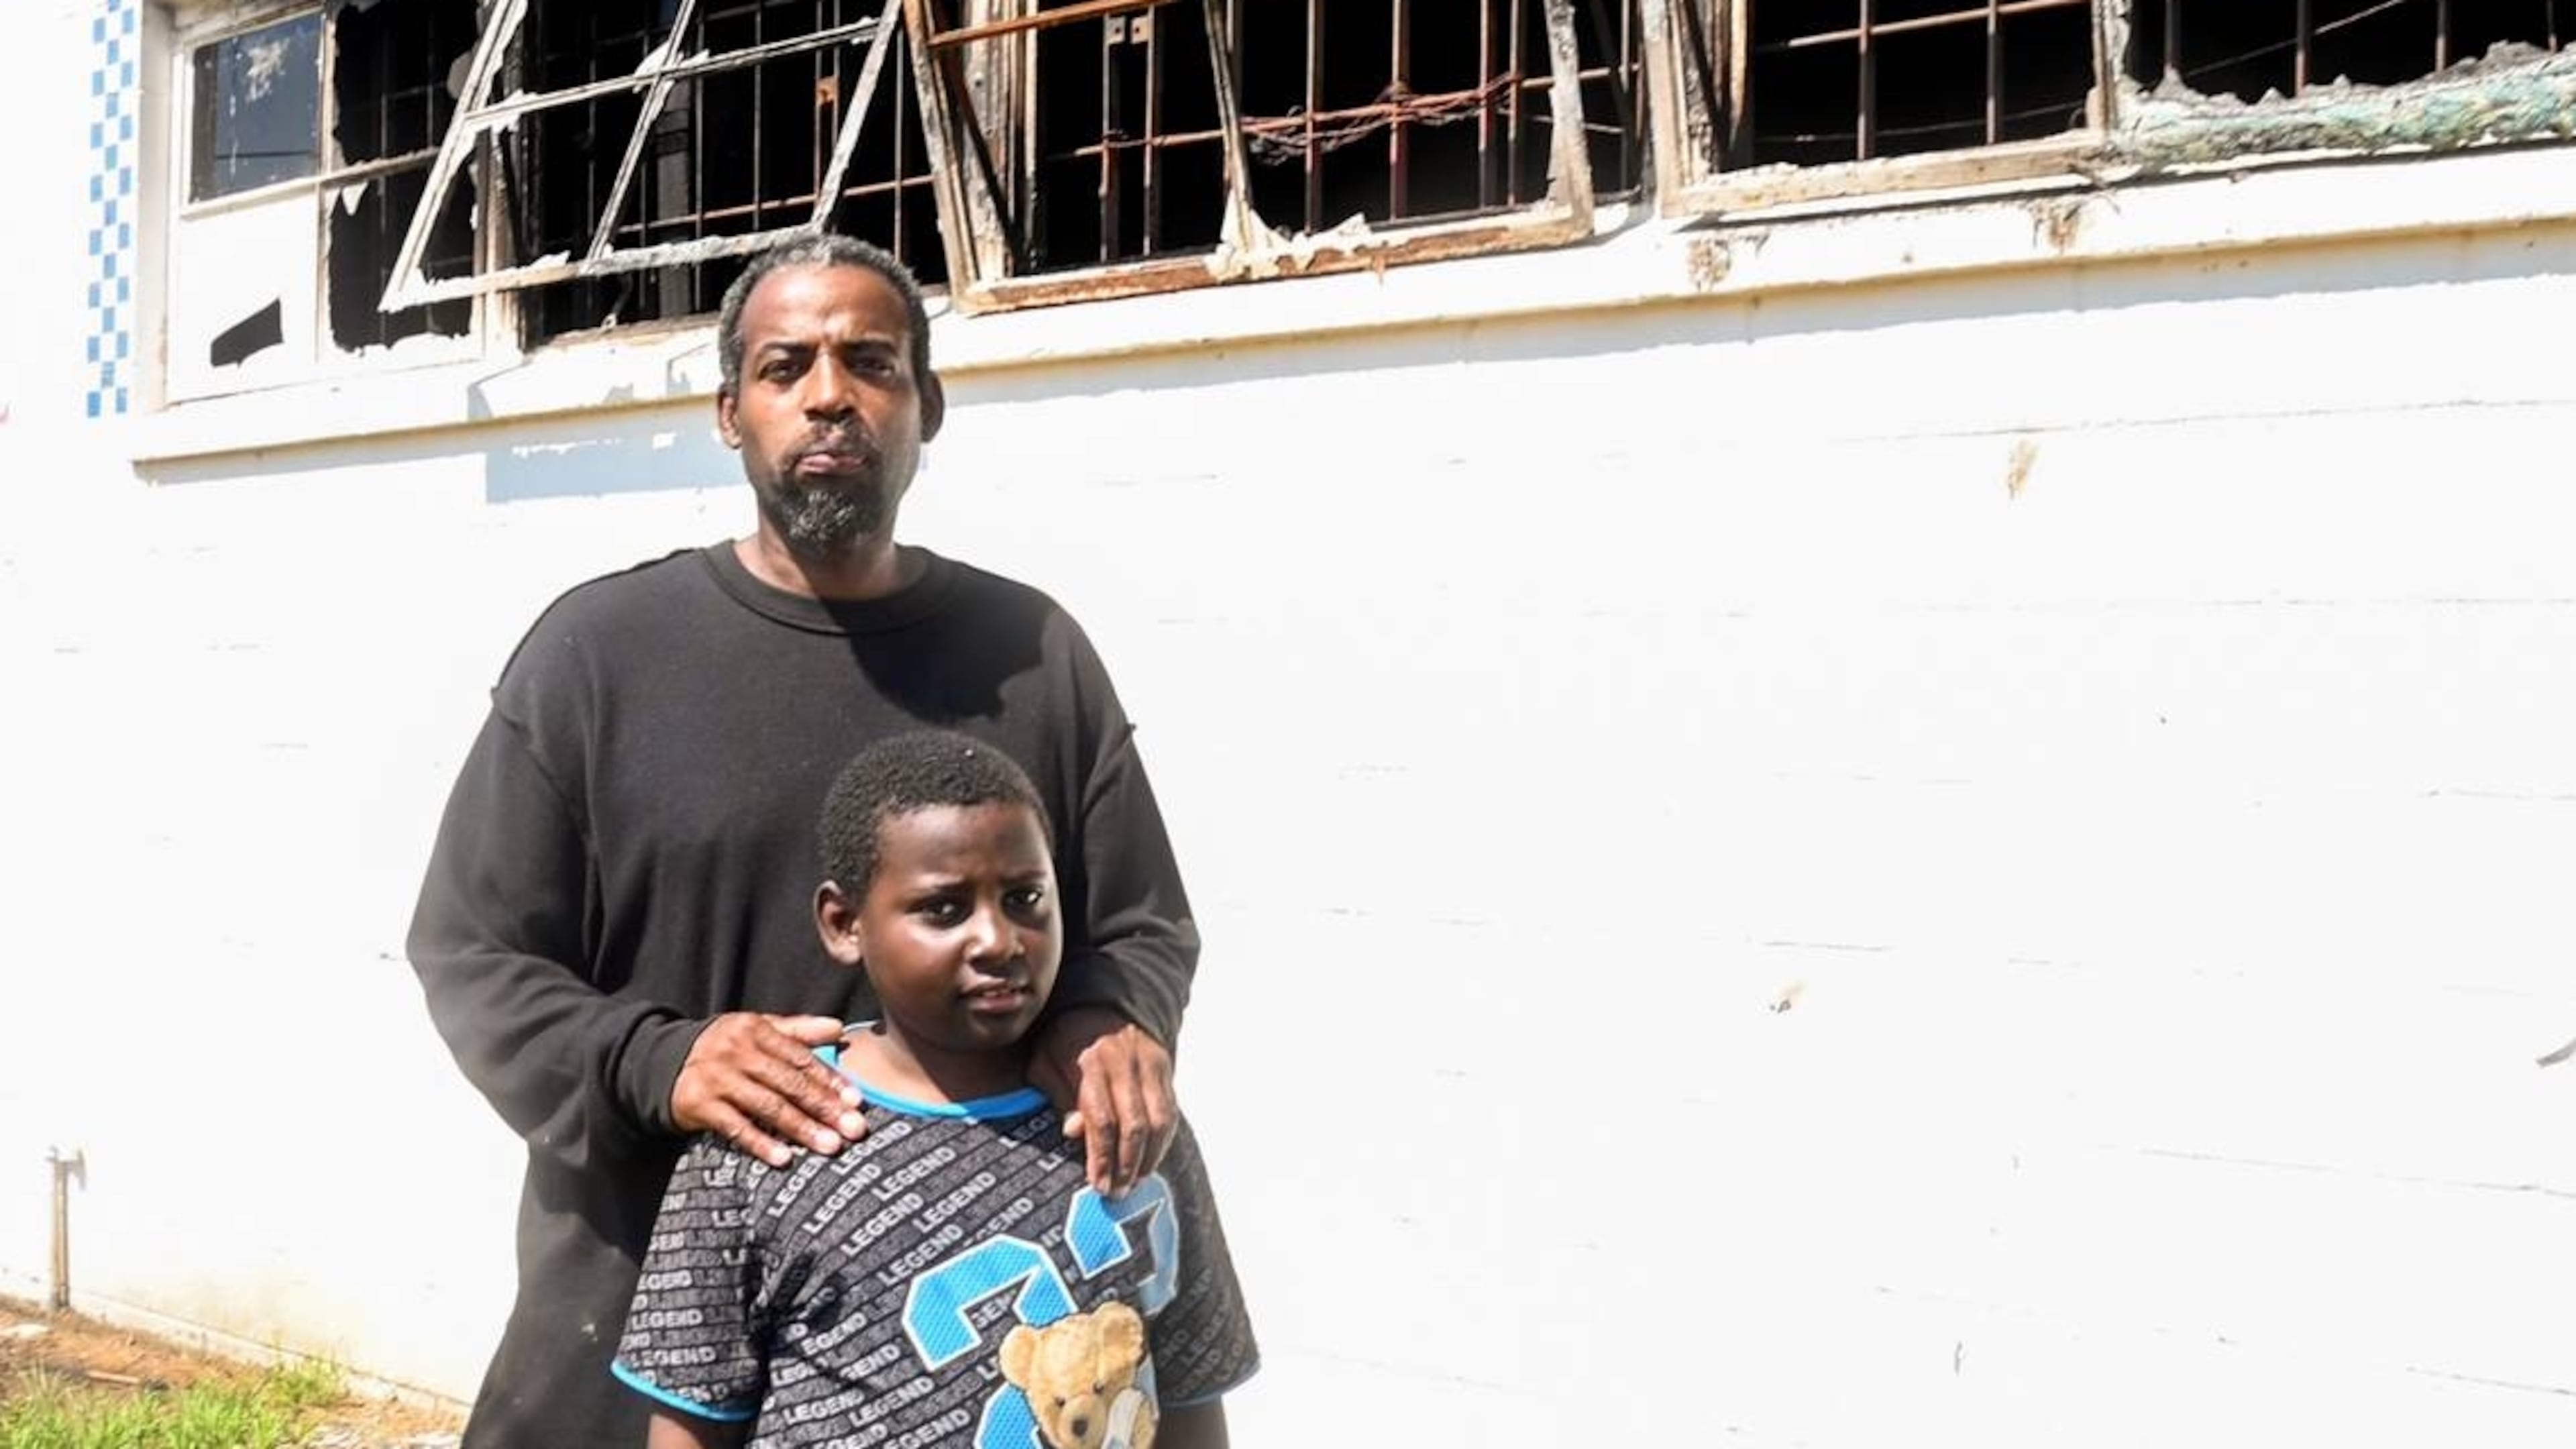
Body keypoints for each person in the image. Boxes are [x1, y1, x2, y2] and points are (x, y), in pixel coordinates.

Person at [408, 234, 1199, 1448]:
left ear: (926, 404)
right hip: (631, 1345)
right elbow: (470, 954)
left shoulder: (1033, 655)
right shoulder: (599, 656)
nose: (830, 393)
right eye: (787, 365)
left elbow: (1142, 923)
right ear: (731, 412)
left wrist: (1106, 1013)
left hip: (952, 1365)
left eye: (870, 361)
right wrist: (655, 1061)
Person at [612, 731, 1255, 1449]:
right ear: (844, 923)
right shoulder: (765, 1137)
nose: (998, 940)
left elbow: (1192, 1391)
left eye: (1025, 898)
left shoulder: (1122, 1117)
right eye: (944, 910)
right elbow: (692, 1427)